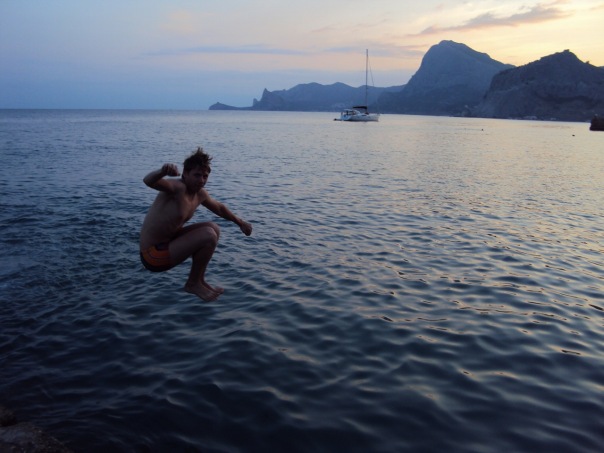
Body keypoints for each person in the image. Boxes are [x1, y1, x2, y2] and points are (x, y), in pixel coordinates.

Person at [140, 147, 252, 302]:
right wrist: (162, 171)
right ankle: (192, 283)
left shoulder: (200, 194)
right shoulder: (177, 187)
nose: (201, 180)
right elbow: (148, 181)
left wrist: (240, 223)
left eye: (205, 176)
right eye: (197, 175)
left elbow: (219, 208)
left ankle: (199, 280)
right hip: (152, 256)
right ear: (185, 174)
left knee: (213, 228)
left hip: (168, 244)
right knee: (208, 235)